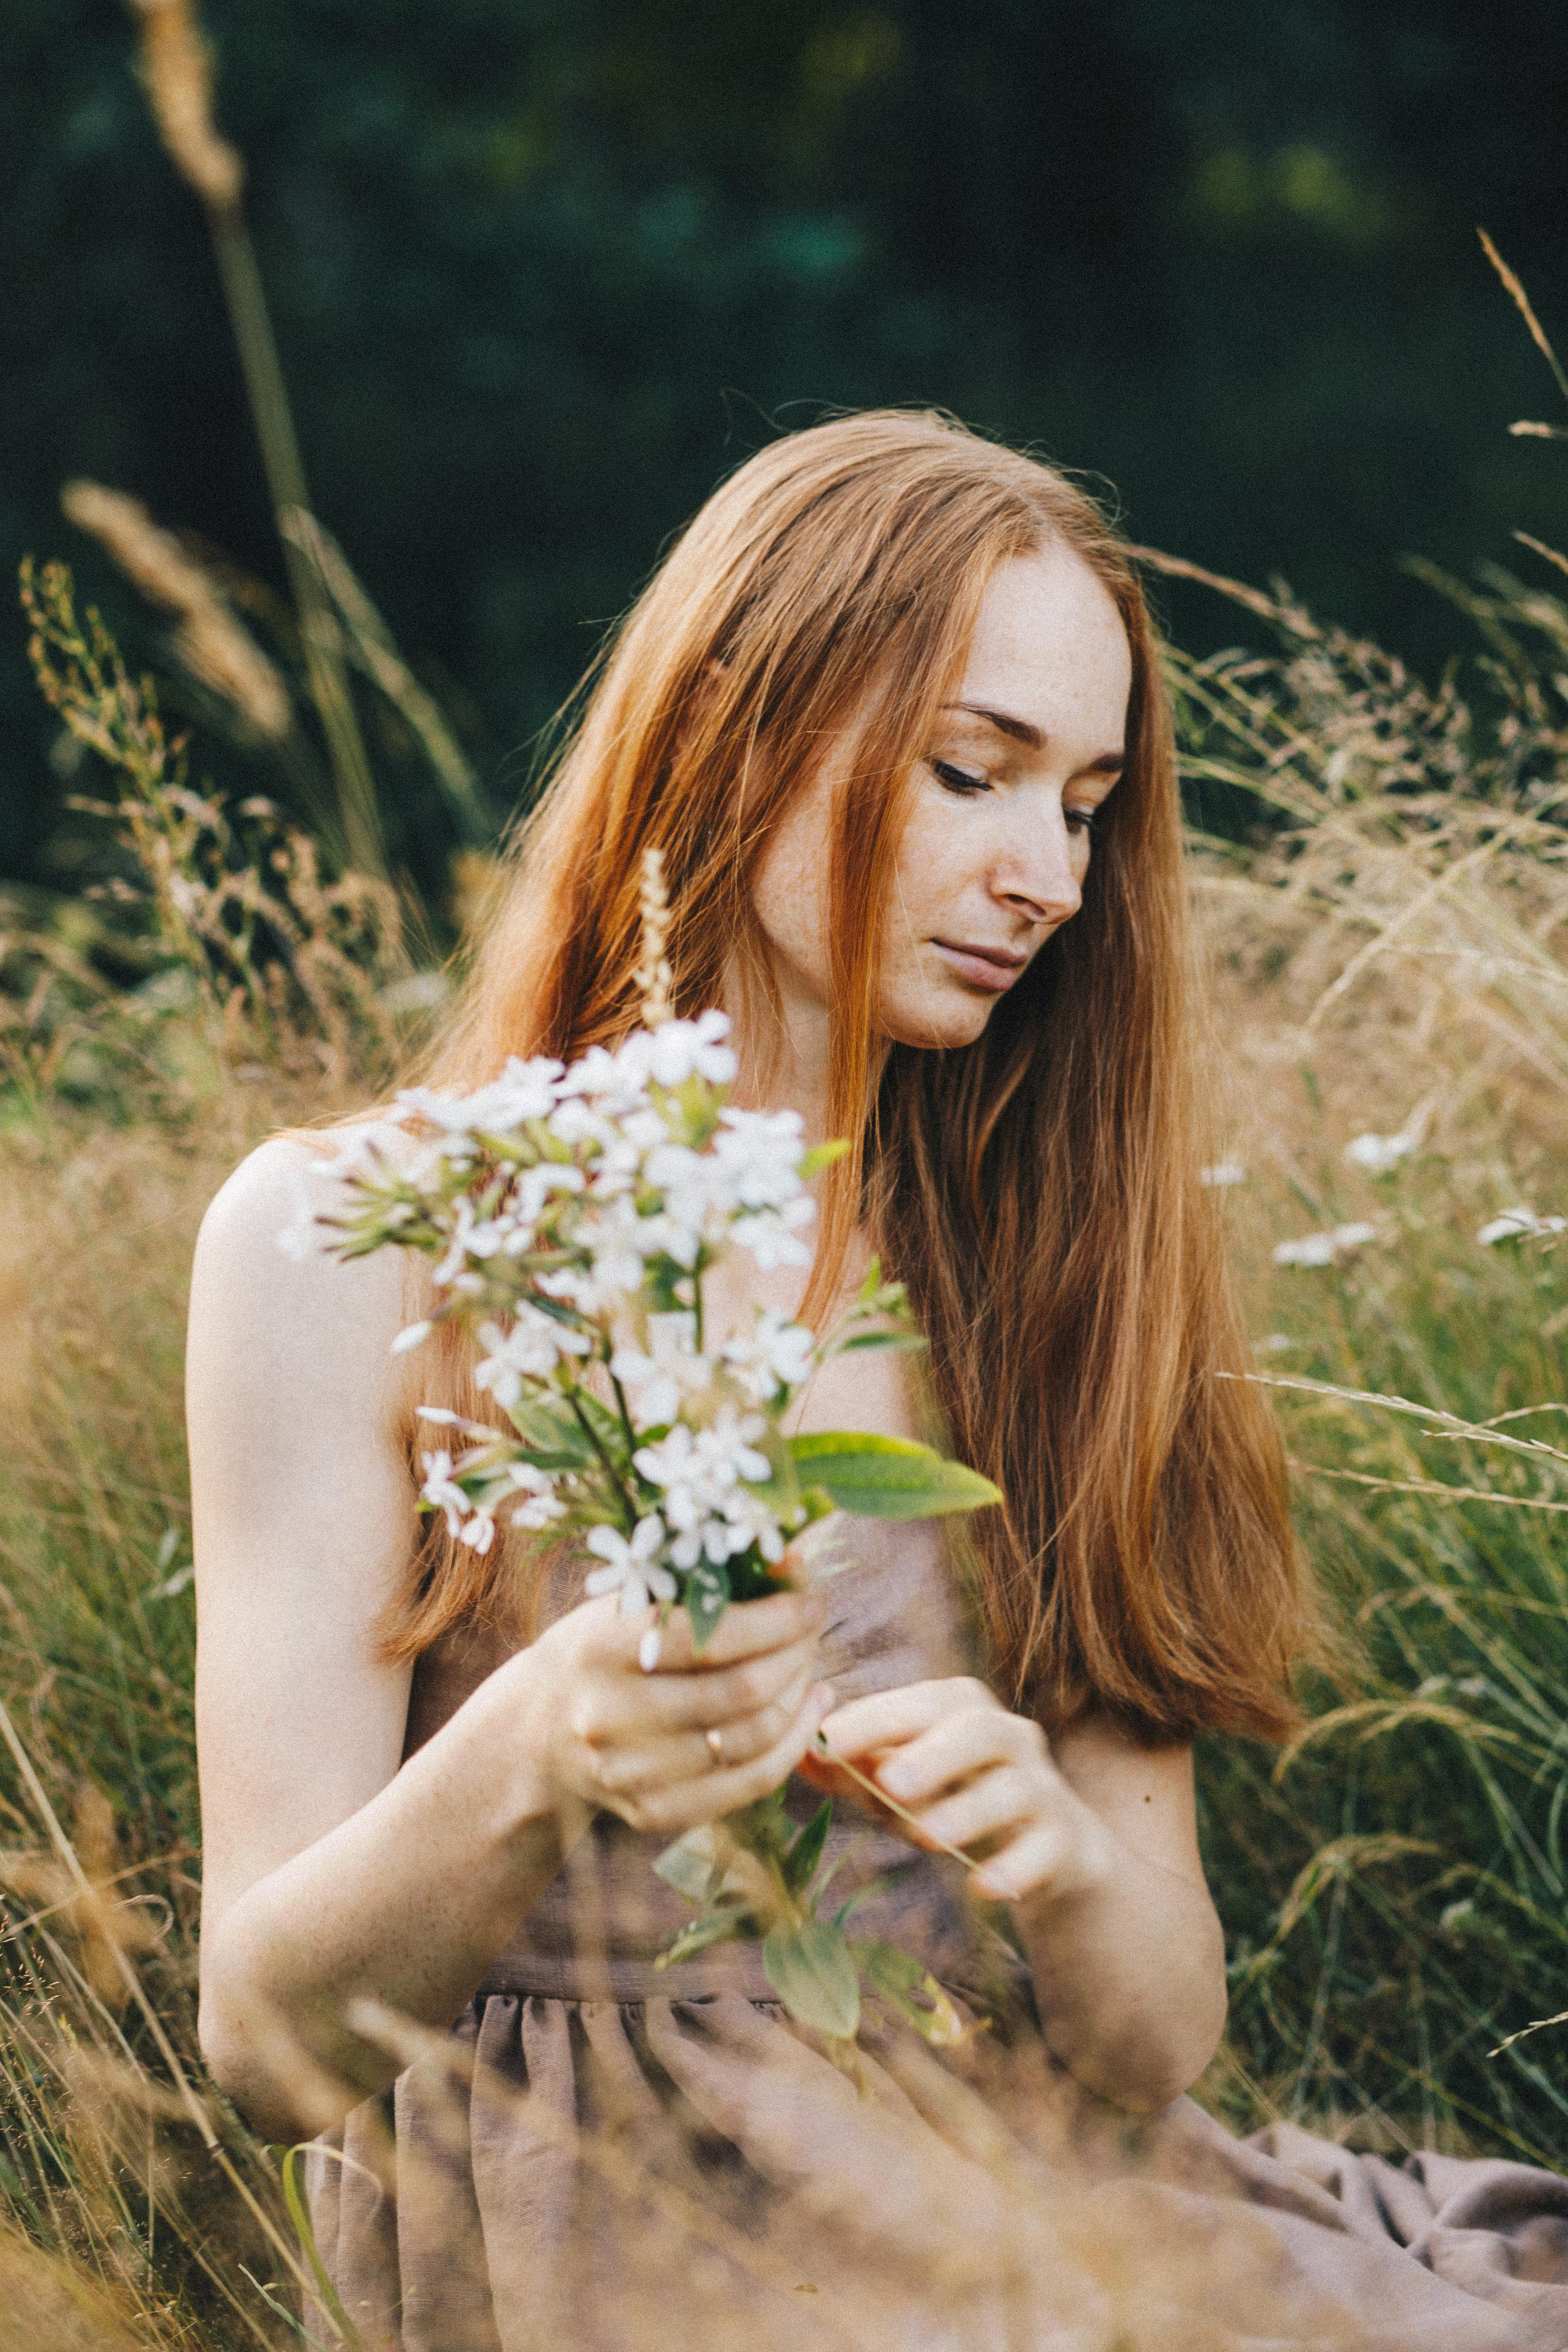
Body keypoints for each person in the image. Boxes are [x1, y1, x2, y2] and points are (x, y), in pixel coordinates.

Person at [187, 412, 1568, 2350]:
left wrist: (1061, 1861)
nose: (1050, 880)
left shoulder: (1043, 1263)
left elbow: (1160, 2035)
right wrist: (537, 1745)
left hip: (999, 2202)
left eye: (1085, 804)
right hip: (596, 2252)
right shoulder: (353, 1237)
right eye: (970, 772)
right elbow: (263, 2045)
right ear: (742, 722)